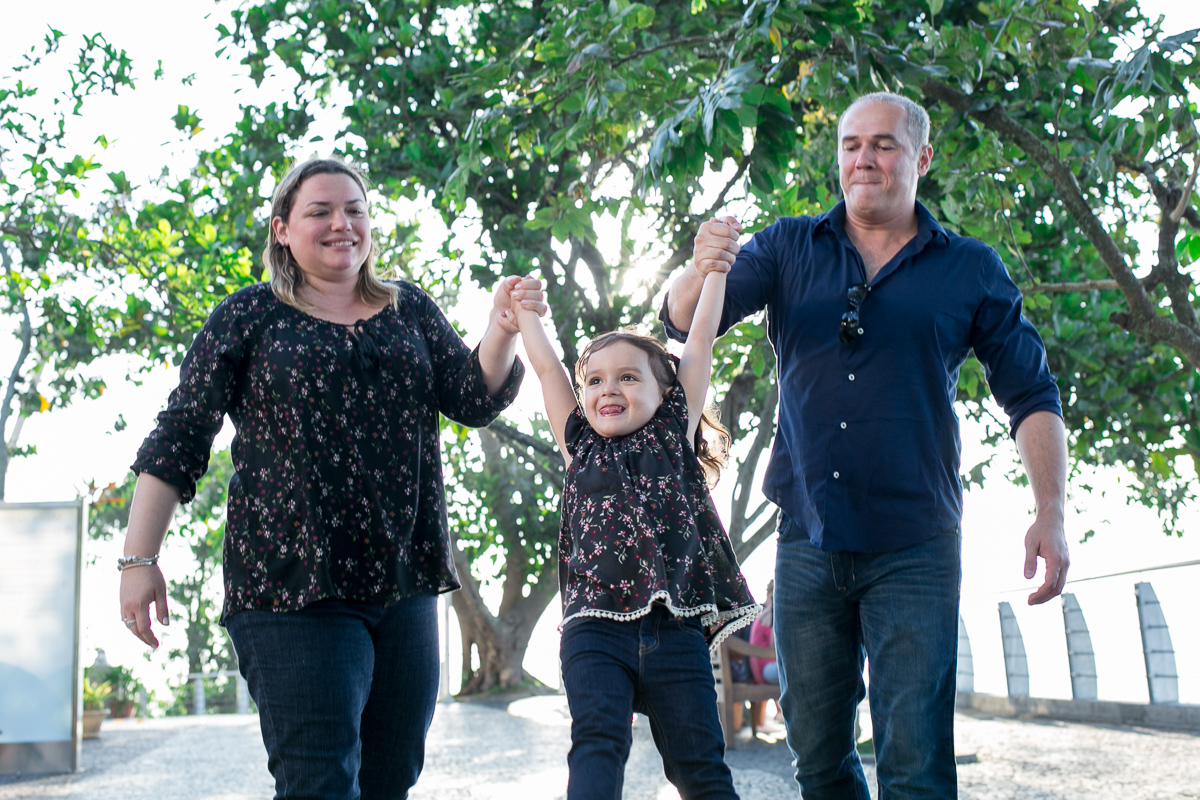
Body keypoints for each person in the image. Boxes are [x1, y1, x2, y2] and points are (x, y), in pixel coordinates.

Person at [662, 91, 1070, 799]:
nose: (864, 158)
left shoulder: (971, 268)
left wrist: (1051, 510)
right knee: (817, 759)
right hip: (808, 539)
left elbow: (1032, 393)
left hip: (917, 544)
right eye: (851, 144)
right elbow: (680, 320)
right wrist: (701, 265)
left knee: (915, 765)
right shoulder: (789, 246)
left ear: (922, 157)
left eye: (882, 144)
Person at [117, 157, 543, 800]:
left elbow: (472, 397)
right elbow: (180, 436)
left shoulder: (409, 310)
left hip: (406, 584)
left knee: (389, 780)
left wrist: (502, 330)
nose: (342, 223)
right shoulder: (247, 318)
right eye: (320, 211)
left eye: (354, 210)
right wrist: (138, 558)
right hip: (291, 588)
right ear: (283, 229)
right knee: (319, 782)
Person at [512, 270, 760, 800]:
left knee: (699, 768)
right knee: (597, 746)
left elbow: (700, 339)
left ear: (665, 390)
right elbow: (547, 368)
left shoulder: (674, 430)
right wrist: (527, 310)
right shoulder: (579, 443)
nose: (609, 389)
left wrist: (716, 270)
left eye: (628, 377)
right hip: (594, 629)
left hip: (676, 633)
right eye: (595, 381)